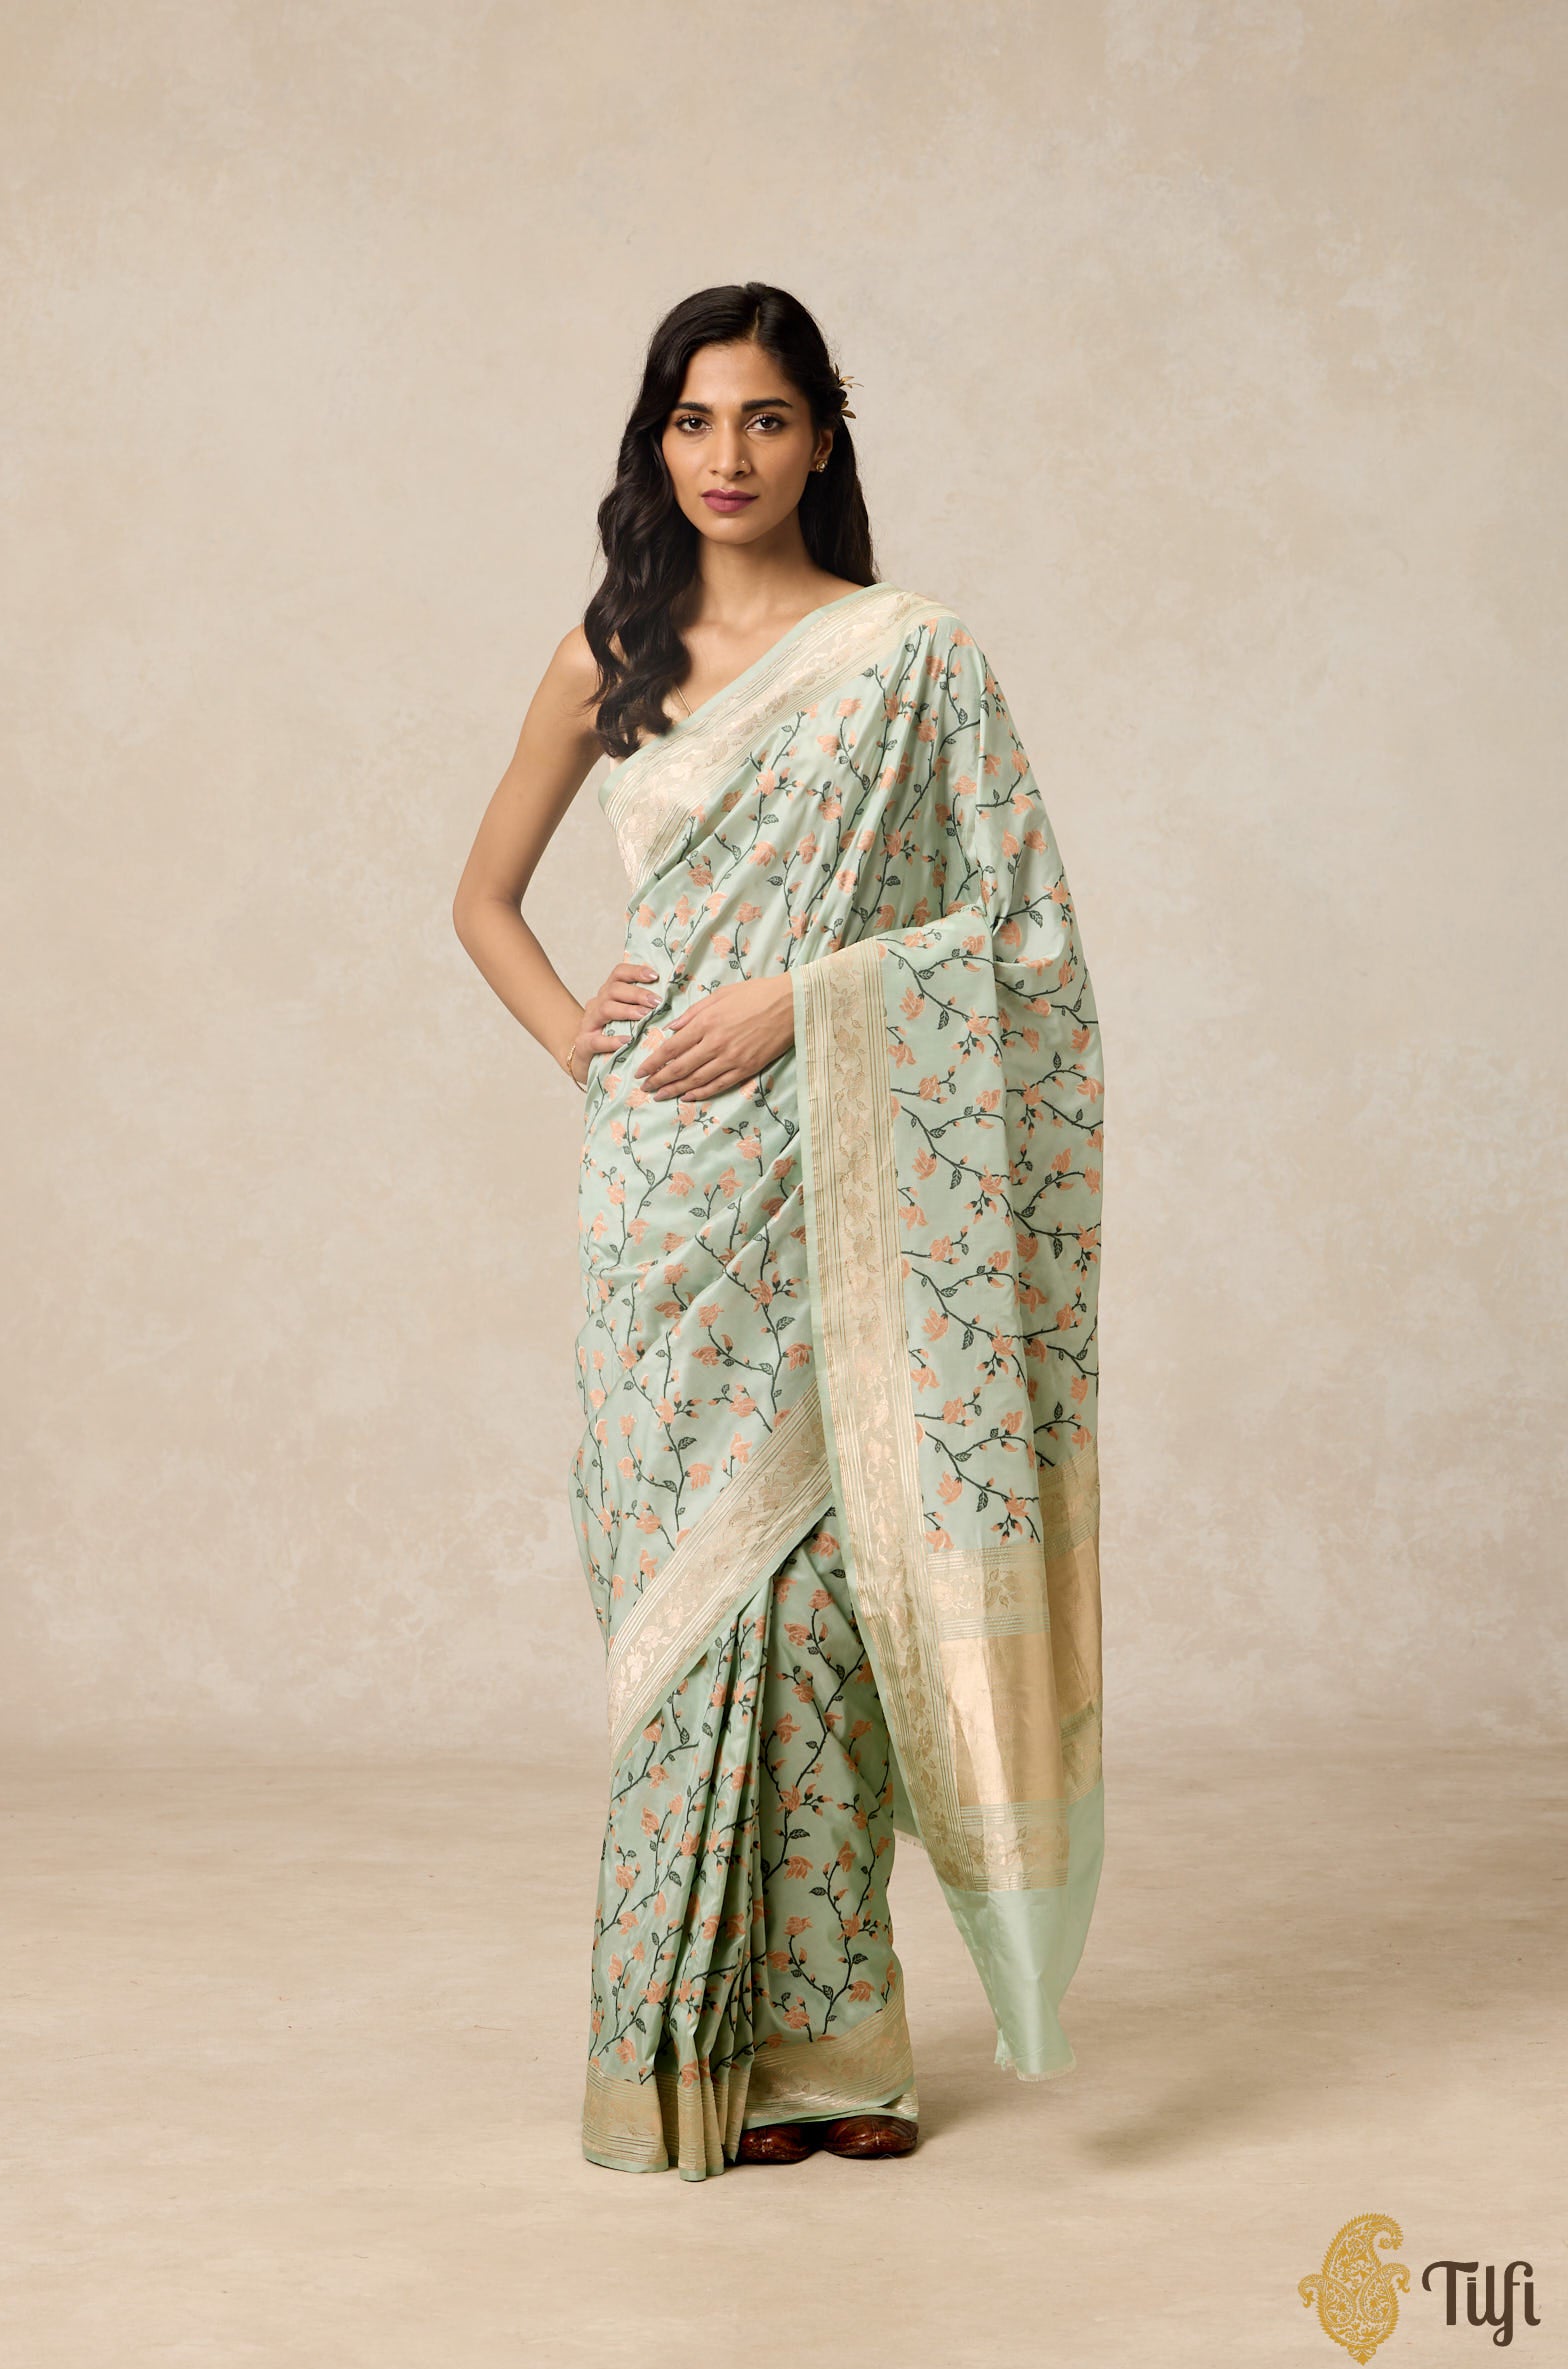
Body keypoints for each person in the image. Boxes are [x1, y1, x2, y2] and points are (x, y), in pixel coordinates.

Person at [452, 283, 1104, 2182]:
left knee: (823, 1605)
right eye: (692, 421)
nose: (725, 456)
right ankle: (680, 2058)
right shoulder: (609, 652)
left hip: (843, 1181)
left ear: (824, 436)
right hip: (665, 1197)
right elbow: (482, 897)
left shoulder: (914, 659)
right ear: (654, 444)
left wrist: (808, 1002)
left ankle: (834, 2059)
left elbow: (1023, 946)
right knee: (687, 1616)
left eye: (763, 419)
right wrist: (581, 1036)